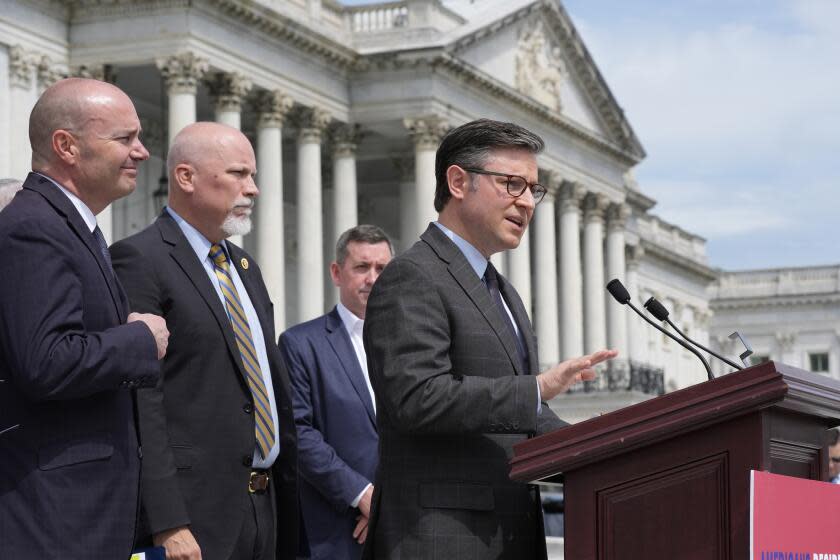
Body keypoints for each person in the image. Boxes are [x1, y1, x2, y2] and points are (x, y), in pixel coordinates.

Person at [361, 118, 618, 559]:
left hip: (508, 536)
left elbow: (524, 420)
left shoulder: (504, 292)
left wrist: (604, 442)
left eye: (532, 190)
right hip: (440, 538)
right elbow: (417, 397)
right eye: (512, 184)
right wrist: (535, 389)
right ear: (459, 182)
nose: (527, 203)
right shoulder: (412, 276)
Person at [110, 121, 299, 560]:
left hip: (266, 507)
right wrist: (167, 521)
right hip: (193, 517)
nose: (252, 189)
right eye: (238, 174)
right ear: (186, 177)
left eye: (252, 176)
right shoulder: (140, 258)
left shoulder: (244, 266)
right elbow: (142, 400)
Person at [0, 78, 167, 559]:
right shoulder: (33, 228)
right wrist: (139, 338)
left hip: (86, 514)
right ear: (66, 146)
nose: (142, 151)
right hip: (55, 521)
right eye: (125, 138)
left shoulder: (71, 227)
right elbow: (46, 361)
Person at [280, 225, 393, 560]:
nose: (373, 278)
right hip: (334, 531)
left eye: (382, 269)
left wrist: (389, 505)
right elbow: (298, 434)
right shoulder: (300, 344)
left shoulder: (409, 345)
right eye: (362, 267)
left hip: (400, 527)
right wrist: (363, 496)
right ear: (336, 272)